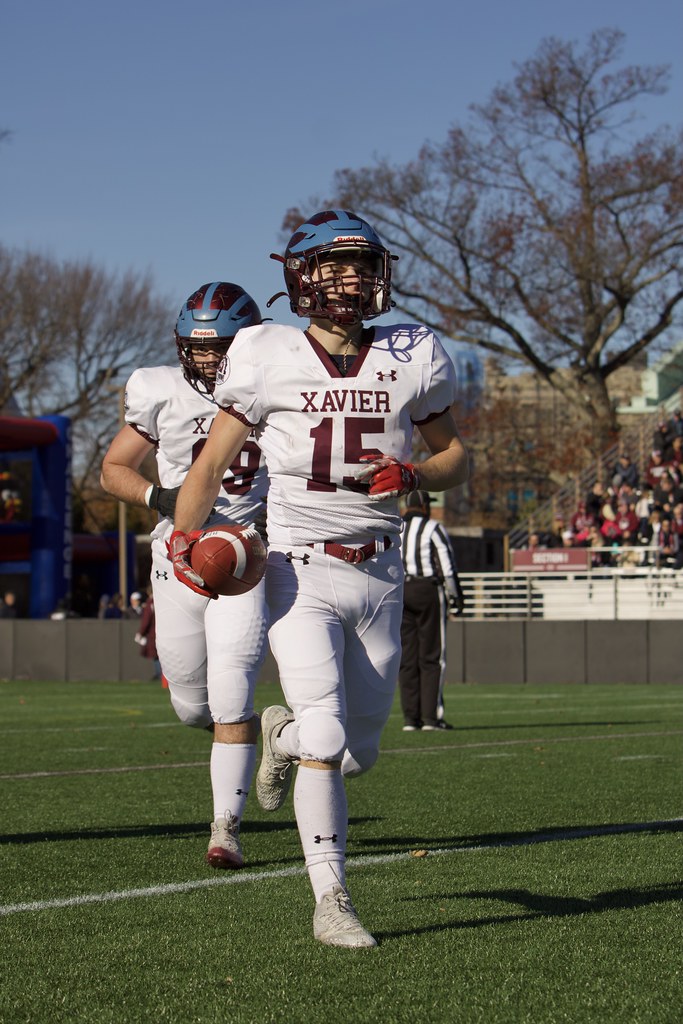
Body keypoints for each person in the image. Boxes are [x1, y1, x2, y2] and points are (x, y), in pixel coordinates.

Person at [170, 210, 469, 948]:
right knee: (329, 733)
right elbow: (209, 464)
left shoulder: (413, 349)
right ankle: (331, 898)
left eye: (362, 266)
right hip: (297, 569)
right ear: (299, 277)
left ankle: (280, 738)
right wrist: (183, 536)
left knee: (357, 751)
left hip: (382, 573)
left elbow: (455, 454)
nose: (352, 280)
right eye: (335, 268)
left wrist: (418, 471)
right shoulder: (265, 351)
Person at [100, 282, 268, 871]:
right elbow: (113, 468)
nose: (206, 360)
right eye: (197, 349)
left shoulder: (277, 382)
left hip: (245, 557)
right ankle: (259, 737)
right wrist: (159, 495)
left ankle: (226, 829)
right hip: (176, 561)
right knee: (192, 709)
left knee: (231, 697)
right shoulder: (158, 389)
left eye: (218, 347)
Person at [398, 489, 464, 732]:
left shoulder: (397, 527)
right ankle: (431, 718)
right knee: (432, 656)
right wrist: (457, 597)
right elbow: (447, 566)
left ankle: (410, 719)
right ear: (424, 506)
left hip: (400, 590)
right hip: (427, 590)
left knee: (407, 657)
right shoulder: (433, 528)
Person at [135, 588, 161, 679]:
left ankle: (159, 674)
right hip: (164, 631)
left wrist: (140, 633)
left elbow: (146, 620)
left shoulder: (150, 603)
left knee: (155, 655)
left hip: (153, 634)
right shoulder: (162, 600)